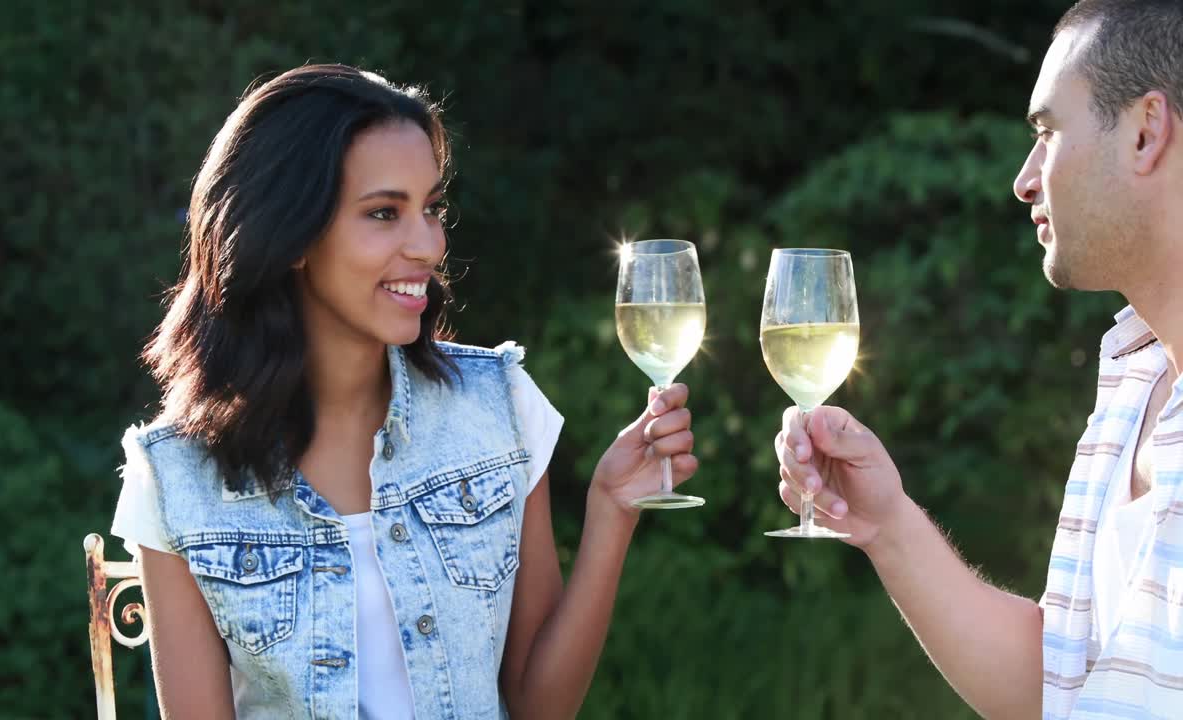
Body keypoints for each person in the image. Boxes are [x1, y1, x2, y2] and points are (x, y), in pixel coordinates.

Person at [110, 63, 699, 719]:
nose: (427, 244)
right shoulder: (176, 476)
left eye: (432, 209)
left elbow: (539, 708)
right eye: (384, 213)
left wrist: (611, 511)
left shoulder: (498, 407)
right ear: (293, 233)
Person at [773, 1, 1183, 717]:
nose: (1025, 180)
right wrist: (888, 526)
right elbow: (1055, 689)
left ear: (1146, 132)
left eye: (1049, 133)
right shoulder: (1134, 374)